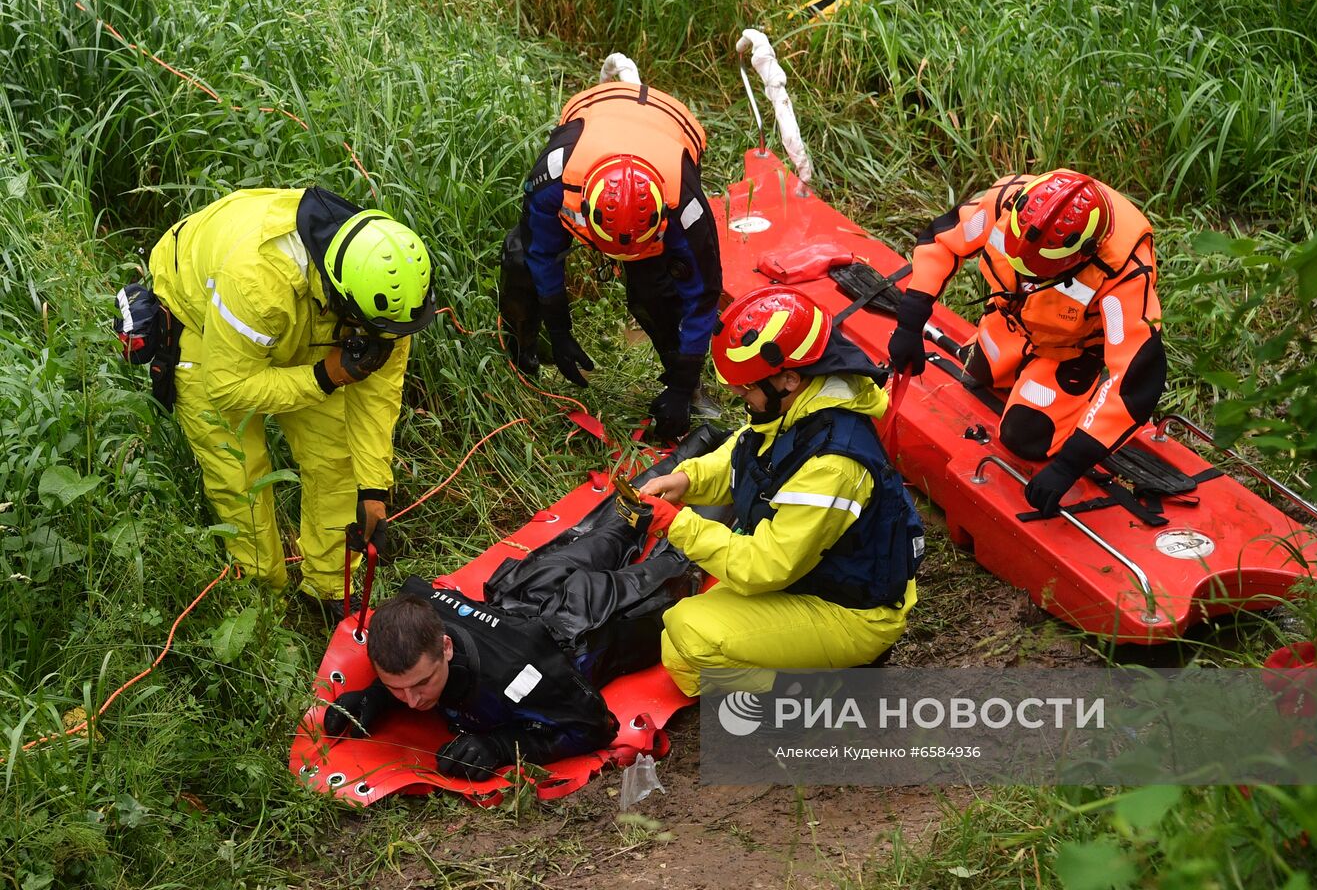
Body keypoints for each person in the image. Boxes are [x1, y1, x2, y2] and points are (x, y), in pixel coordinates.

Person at [149, 187, 435, 620]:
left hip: (304, 316)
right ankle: (264, 600)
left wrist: (373, 488)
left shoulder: (387, 296)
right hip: (205, 320)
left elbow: (377, 395)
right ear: (342, 300)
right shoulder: (258, 280)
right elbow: (228, 387)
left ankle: (326, 589)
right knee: (240, 472)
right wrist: (325, 376)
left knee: (336, 456)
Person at [628, 287, 925, 697]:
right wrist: (688, 481)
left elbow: (764, 568)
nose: (738, 395)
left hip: (851, 610)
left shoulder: (833, 463)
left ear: (789, 378)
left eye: (746, 387)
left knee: (692, 634)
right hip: (820, 578)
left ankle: (828, 690)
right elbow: (749, 452)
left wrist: (679, 526)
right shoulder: (800, 406)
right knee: (680, 646)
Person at [886, 170, 1166, 515]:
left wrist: (1070, 463)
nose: (1025, 275)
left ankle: (1082, 392)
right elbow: (942, 242)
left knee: (1028, 437)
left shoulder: (1124, 272)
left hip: (1068, 350)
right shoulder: (1007, 201)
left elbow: (1137, 378)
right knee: (980, 373)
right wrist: (910, 321)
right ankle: (1008, 359)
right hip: (1009, 320)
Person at [499, 77, 721, 441]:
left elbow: (703, 294)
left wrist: (682, 383)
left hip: (668, 125)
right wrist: (559, 328)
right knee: (519, 259)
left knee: (657, 289)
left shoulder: (685, 205)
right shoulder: (556, 177)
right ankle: (522, 354)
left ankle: (688, 387)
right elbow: (542, 251)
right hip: (597, 112)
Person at [323, 576, 618, 780]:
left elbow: (598, 727)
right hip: (525, 595)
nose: (412, 702)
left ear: (447, 648)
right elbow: (407, 672)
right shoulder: (409, 614)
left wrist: (501, 747)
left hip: (589, 630)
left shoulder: (517, 675)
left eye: (422, 683)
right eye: (397, 688)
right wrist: (376, 695)